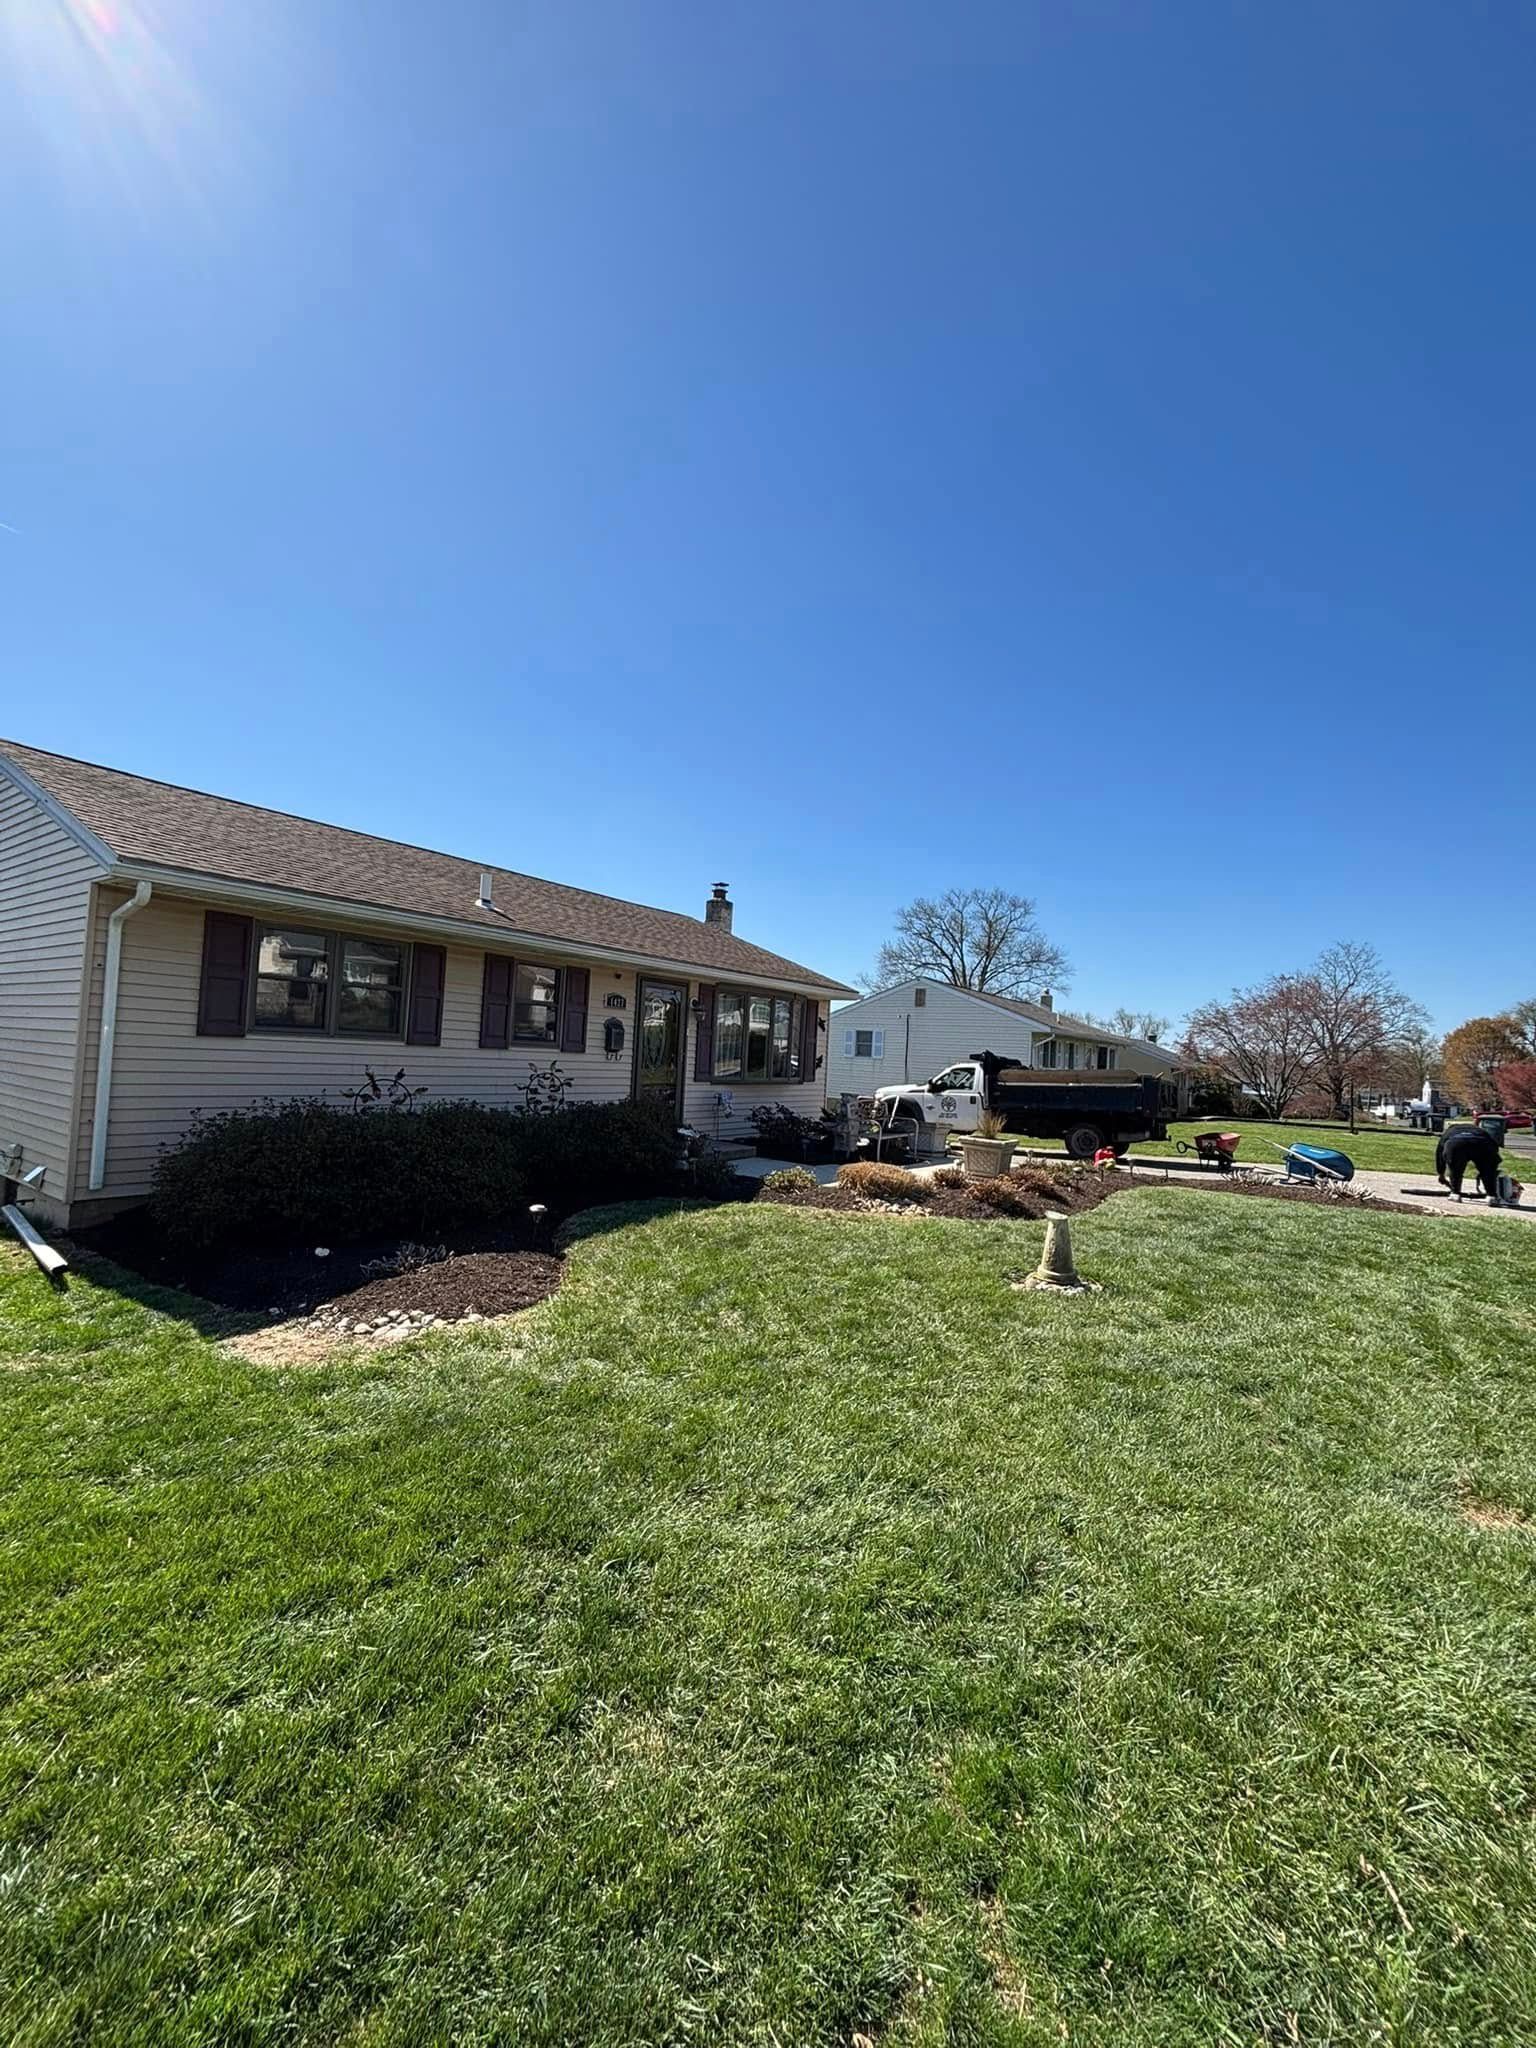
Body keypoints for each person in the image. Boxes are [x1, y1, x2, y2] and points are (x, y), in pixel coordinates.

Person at [1435, 1123, 1506, 1204]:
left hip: (1456, 1143)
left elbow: (1439, 1154)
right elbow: (1494, 1146)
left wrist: (1441, 1174)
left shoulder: (1449, 1132)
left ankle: (1455, 1194)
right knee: (1487, 1172)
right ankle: (1491, 1196)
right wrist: (1492, 1165)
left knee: (1456, 1169)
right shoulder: (1480, 1130)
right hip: (1481, 1143)